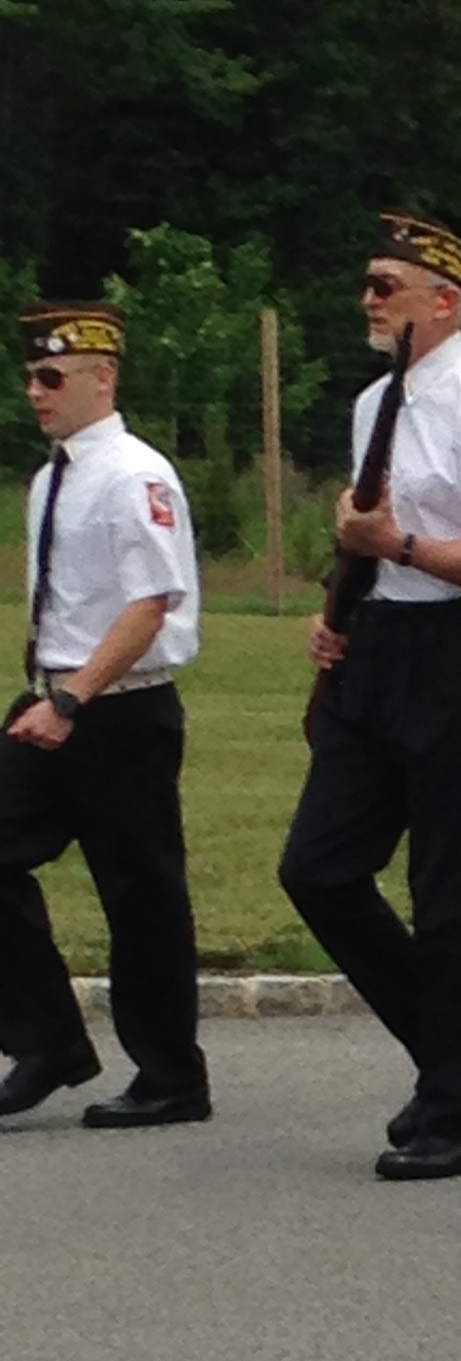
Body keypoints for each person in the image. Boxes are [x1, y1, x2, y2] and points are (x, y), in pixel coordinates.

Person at [278, 214, 461, 1181]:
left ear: (444, 301)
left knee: (448, 885)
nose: (369, 299)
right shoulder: (374, 403)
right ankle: (456, 1038)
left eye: (386, 285)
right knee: (316, 866)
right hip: (381, 639)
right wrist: (337, 611)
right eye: (366, 282)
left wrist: (396, 547)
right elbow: (362, 531)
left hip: (460, 646)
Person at [0, 302, 209, 1128]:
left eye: (51, 377)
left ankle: (170, 1076)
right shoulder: (54, 475)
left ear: (103, 378)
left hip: (117, 709)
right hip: (56, 699)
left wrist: (74, 699)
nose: (34, 392)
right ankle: (49, 1039)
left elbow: (150, 603)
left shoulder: (135, 474)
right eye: (28, 377)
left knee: (141, 895)